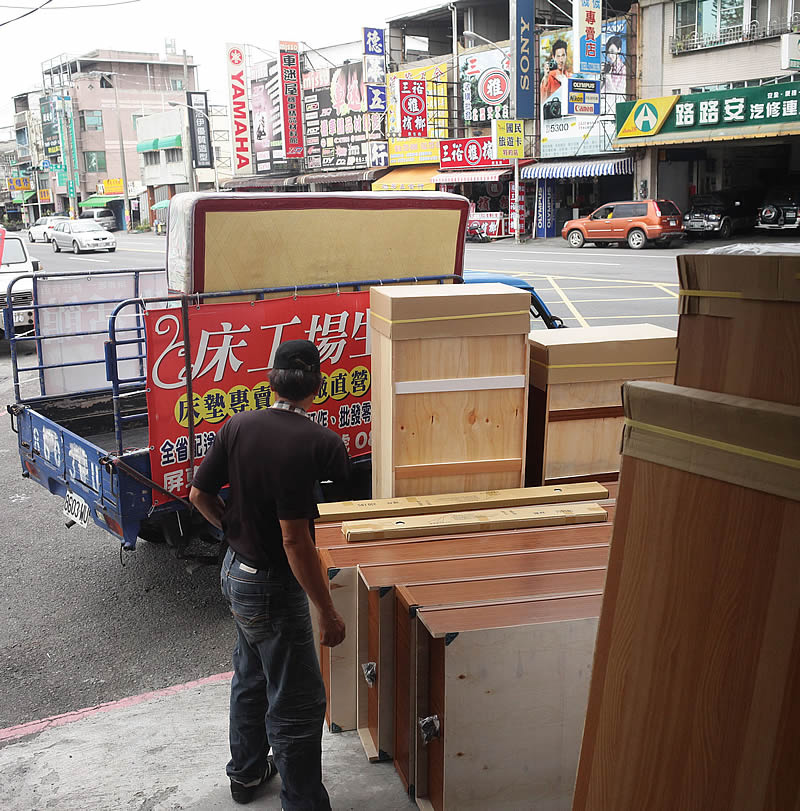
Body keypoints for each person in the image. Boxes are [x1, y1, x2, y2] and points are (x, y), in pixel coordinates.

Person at [190, 339, 350, 809]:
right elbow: (296, 540)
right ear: (317, 385)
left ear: (270, 379)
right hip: (273, 588)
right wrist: (328, 612)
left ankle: (246, 775)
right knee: (298, 703)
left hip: (235, 574)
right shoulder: (319, 443)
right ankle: (303, 802)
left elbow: (200, 496)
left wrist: (235, 528)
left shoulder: (238, 424)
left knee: (252, 676)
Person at [540, 39, 570, 103]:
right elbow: (542, 99)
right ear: (553, 57)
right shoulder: (549, 77)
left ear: (566, 55)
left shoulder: (569, 77)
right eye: (558, 56)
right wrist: (546, 77)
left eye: (563, 55)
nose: (561, 60)